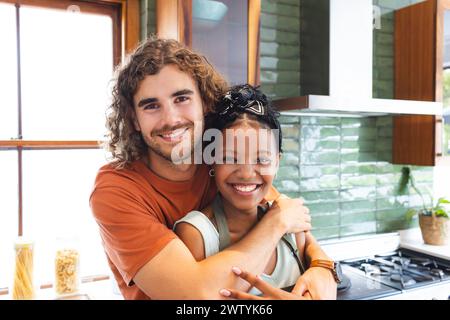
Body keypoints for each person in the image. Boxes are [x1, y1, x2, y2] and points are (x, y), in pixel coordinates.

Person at [90, 37, 337, 300]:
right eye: (151, 106)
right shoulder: (116, 190)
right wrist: (277, 223)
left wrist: (324, 269)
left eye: (181, 98)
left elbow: (290, 219)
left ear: (205, 102)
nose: (171, 119)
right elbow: (196, 295)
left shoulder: (218, 161)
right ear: (133, 119)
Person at [174, 84, 313, 297]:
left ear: (277, 162)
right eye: (230, 158)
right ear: (211, 162)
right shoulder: (198, 234)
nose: (247, 173)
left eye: (261, 159)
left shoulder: (293, 226)